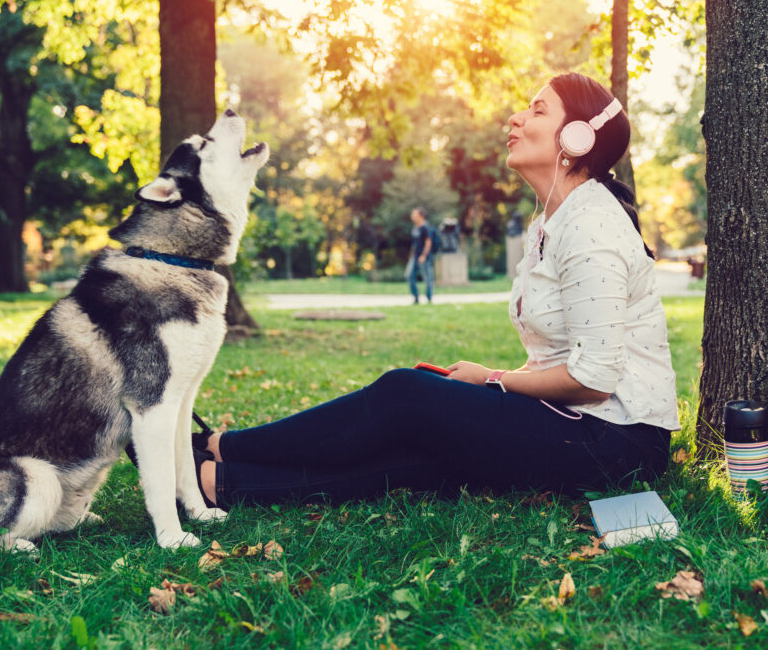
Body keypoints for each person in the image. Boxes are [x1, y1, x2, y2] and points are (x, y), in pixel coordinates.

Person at [192, 72, 679, 508]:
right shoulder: (551, 221)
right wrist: (494, 384)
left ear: (576, 137)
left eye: (537, 109)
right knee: (428, 453)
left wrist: (493, 379)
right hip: (576, 422)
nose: (514, 117)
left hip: (617, 440)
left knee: (404, 393)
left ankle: (224, 446)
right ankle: (221, 482)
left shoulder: (593, 226)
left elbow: (594, 379)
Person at [406, 207, 435, 304]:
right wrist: (411, 255)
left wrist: (424, 255)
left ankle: (429, 298)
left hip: (424, 257)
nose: (412, 216)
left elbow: (428, 242)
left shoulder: (425, 227)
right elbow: (414, 243)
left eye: (414, 214)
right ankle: (416, 297)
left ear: (421, 216)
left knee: (427, 277)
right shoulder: (415, 228)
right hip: (415, 256)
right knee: (409, 275)